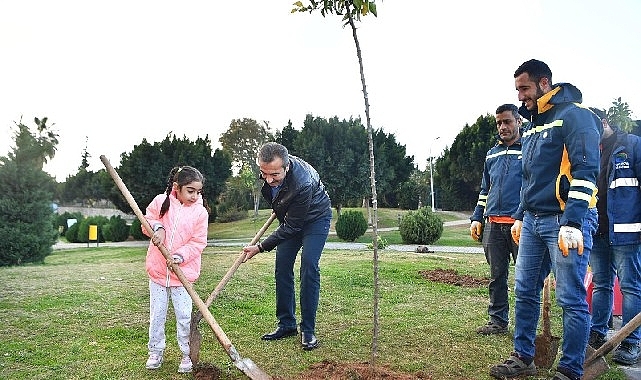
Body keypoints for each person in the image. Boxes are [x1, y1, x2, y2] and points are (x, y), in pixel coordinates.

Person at [489, 59, 601, 380]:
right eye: (517, 90)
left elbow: (585, 172)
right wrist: (522, 215)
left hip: (565, 222)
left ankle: (569, 370)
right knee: (524, 290)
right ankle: (522, 357)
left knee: (570, 298)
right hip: (534, 221)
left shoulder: (576, 117)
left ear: (543, 83)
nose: (520, 96)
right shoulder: (533, 125)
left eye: (524, 88)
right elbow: (530, 178)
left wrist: (573, 221)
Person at [242, 142, 332, 351]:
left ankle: (307, 330)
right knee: (282, 267)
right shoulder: (269, 174)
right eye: (264, 173)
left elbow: (293, 227)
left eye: (274, 174)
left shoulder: (303, 183)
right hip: (292, 219)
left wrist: (261, 247)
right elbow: (285, 213)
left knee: (309, 266)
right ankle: (287, 324)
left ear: (287, 166)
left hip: (315, 219)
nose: (269, 179)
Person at [143, 166, 209, 373]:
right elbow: (146, 221)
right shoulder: (160, 202)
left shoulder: (200, 212)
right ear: (176, 187)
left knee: (184, 316)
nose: (194, 195)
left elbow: (198, 242)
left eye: (198, 192)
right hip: (158, 273)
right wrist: (157, 228)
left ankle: (186, 354)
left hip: (183, 275)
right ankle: (155, 351)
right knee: (158, 315)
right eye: (190, 190)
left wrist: (180, 256)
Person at [587, 108, 641, 365]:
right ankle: (597, 333)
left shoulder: (631, 145)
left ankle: (631, 342)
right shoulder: (588, 149)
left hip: (627, 232)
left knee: (630, 287)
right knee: (601, 285)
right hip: (598, 230)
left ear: (605, 122)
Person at [470, 103, 522, 335]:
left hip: (520, 225)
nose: (502, 127)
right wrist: (477, 218)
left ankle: (524, 325)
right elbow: (485, 189)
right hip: (492, 225)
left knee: (525, 280)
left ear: (519, 121)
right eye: (499, 123)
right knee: (496, 277)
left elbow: (532, 187)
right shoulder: (492, 154)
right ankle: (497, 322)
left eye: (507, 121)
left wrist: (522, 217)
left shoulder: (529, 148)